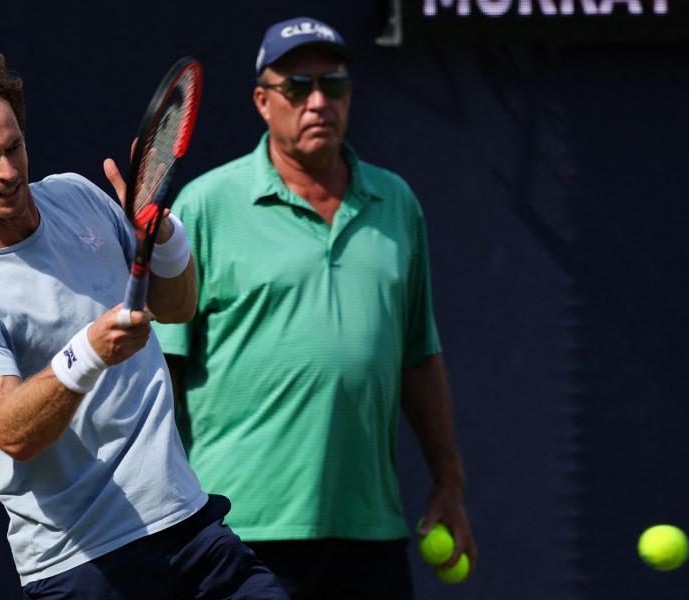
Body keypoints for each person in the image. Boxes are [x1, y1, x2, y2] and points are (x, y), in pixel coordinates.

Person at [0, 50, 287, 598]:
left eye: (14, 146)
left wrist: (162, 234)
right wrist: (88, 353)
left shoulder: (79, 197)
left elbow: (178, 304)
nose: (9, 172)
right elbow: (11, 431)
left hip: (188, 528)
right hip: (82, 567)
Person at [151, 17, 477, 598]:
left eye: (335, 84)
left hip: (369, 530)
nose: (319, 101)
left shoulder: (396, 203)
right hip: (244, 529)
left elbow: (418, 358)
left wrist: (448, 480)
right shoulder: (206, 205)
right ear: (263, 101)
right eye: (298, 87)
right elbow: (163, 372)